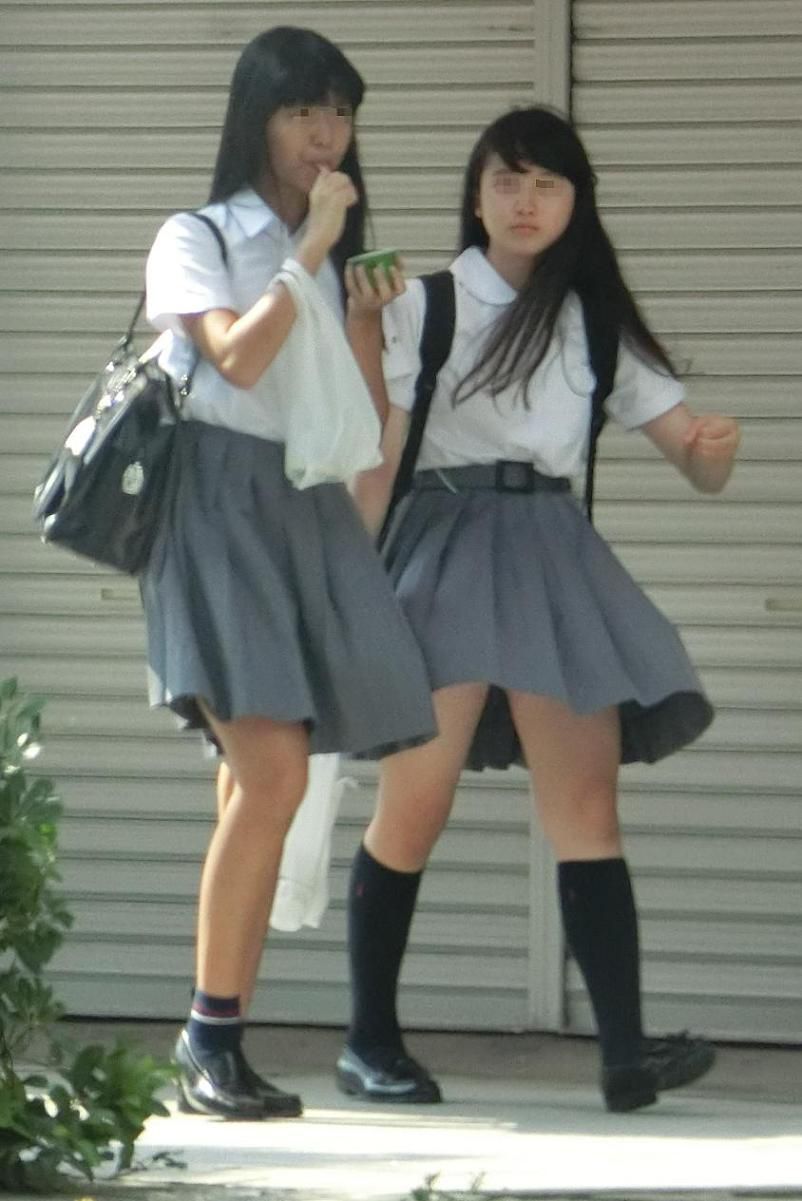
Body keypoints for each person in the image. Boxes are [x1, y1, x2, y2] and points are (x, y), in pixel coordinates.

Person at [338, 105, 741, 1114]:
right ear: (476, 197)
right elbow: (376, 457)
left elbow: (696, 462)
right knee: (415, 804)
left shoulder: (593, 320)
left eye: (548, 184)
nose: (526, 201)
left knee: (586, 808)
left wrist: (713, 452)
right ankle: (368, 1040)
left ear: (575, 204)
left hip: (554, 553)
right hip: (446, 543)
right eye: (507, 180)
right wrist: (348, 585)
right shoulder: (423, 303)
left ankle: (623, 1054)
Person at [141, 26, 435, 1122]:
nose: (325, 134)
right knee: (270, 776)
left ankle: (220, 1039)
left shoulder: (328, 247)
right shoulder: (199, 235)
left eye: (340, 113)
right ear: (256, 117)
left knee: (256, 782)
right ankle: (206, 1036)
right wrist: (308, 250)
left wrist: (360, 314)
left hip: (302, 502)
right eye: (303, 110)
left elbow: (355, 420)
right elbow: (237, 356)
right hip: (212, 501)